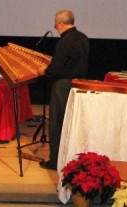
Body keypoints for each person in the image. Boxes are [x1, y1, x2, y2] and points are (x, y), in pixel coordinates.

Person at [38, 10, 89, 170]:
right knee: (73, 124)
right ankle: (73, 158)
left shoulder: (64, 41)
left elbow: (57, 68)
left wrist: (44, 72)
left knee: (57, 124)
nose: (56, 28)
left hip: (63, 86)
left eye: (56, 25)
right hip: (80, 85)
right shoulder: (83, 38)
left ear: (60, 23)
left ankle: (55, 161)